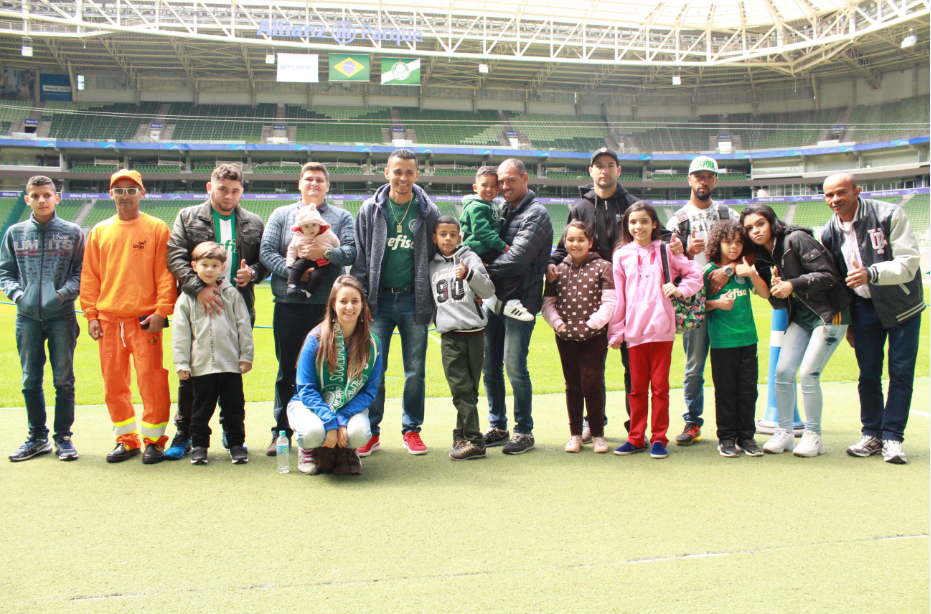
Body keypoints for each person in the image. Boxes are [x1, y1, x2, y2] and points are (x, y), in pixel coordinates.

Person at [547, 147, 684, 440]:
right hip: (590, 303)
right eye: (599, 165)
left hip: (630, 302)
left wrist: (678, 244)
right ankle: (591, 422)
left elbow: (661, 237)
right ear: (591, 171)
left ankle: (635, 426)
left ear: (619, 171)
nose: (604, 170)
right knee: (589, 372)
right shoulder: (580, 209)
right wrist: (551, 264)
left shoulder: (634, 205)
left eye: (610, 165)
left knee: (632, 368)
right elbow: (562, 248)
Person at [164, 163, 266, 460]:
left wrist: (254, 275)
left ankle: (230, 433)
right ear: (211, 187)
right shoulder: (188, 216)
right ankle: (186, 432)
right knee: (192, 378)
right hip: (198, 304)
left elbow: (263, 261)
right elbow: (175, 256)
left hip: (237, 306)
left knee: (230, 378)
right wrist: (199, 288)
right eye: (222, 189)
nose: (228, 196)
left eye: (235, 191)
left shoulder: (253, 221)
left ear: (242, 192)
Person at [820, 173, 924, 464]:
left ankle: (893, 437)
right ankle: (872, 434)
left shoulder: (890, 214)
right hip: (864, 308)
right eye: (828, 195)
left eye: (840, 193)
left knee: (900, 373)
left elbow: (909, 262)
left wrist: (872, 273)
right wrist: (849, 322)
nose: (834, 200)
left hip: (903, 306)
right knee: (868, 375)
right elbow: (838, 282)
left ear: (857, 191)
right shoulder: (829, 231)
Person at [80, 169, 177, 464]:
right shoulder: (99, 231)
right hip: (109, 320)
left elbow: (165, 274)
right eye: (119, 190)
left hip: (144, 319)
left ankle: (154, 441)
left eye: (131, 190)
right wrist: (91, 315)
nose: (125, 196)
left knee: (152, 381)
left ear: (142, 193)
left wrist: (162, 312)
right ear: (111, 194)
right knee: (113, 382)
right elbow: (90, 278)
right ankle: (126, 440)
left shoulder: (157, 228)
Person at [260, 162, 356, 456]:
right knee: (287, 370)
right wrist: (294, 272)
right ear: (299, 184)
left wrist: (326, 253)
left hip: (327, 309)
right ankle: (282, 432)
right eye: (309, 179)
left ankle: (327, 432)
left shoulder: (341, 217)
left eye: (320, 180)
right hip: (289, 305)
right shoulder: (281, 215)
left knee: (329, 372)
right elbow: (267, 251)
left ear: (328, 186)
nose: (314, 184)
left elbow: (351, 250)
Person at [741, 204, 850, 458]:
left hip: (829, 313)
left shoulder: (796, 239)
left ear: (771, 222)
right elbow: (779, 300)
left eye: (760, 224)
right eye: (749, 228)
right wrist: (777, 288)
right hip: (801, 318)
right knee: (782, 371)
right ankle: (785, 432)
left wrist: (792, 283)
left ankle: (814, 435)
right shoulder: (762, 257)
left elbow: (828, 275)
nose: (755, 231)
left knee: (808, 374)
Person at [350, 149, 440, 457]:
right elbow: (361, 259)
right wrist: (364, 299)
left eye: (409, 172)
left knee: (415, 370)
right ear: (386, 173)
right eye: (397, 171)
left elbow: (435, 257)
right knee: (374, 367)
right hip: (379, 300)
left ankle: (411, 430)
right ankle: (371, 432)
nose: (403, 178)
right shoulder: (369, 210)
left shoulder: (429, 212)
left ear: (417, 175)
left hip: (415, 300)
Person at [608, 202, 702, 459]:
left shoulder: (666, 250)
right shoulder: (621, 255)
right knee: (636, 389)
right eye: (633, 222)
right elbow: (619, 297)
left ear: (654, 224)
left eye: (644, 221)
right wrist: (616, 331)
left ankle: (659, 438)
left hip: (661, 329)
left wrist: (680, 290)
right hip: (634, 332)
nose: (638, 226)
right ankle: (636, 438)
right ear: (627, 226)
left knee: (660, 388)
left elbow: (694, 273)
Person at [1, 176, 84, 462]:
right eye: (35, 195)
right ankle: (37, 438)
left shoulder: (73, 232)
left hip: (62, 315)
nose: (41, 200)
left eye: (47, 194)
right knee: (29, 380)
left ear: (56, 198)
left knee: (63, 379)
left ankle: (63, 438)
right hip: (27, 318)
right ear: (27, 199)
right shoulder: (15, 232)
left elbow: (81, 273)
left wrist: (62, 295)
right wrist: (17, 295)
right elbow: (6, 272)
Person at [665, 156, 742, 447]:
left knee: (730, 363)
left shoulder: (727, 214)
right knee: (695, 365)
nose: (703, 181)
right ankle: (692, 421)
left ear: (716, 181)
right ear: (689, 180)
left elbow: (746, 252)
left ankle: (734, 423)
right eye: (698, 176)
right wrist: (683, 252)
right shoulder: (677, 221)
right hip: (693, 300)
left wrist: (729, 269)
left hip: (727, 295)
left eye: (709, 176)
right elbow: (668, 267)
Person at [481, 158, 553, 455]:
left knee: (514, 366)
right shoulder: (500, 209)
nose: (505, 186)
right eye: (501, 181)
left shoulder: (537, 214)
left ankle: (524, 430)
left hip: (521, 302)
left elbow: (519, 259)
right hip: (494, 300)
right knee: (489, 366)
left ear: (525, 179)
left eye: (511, 180)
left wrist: (482, 270)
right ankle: (498, 425)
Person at [286, 275, 382, 476]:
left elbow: (368, 392)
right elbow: (306, 389)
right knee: (313, 433)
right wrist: (330, 421)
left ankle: (349, 448)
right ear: (333, 305)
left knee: (359, 434)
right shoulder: (316, 338)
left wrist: (342, 419)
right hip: (309, 404)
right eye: (343, 301)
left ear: (363, 305)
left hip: (348, 407)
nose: (349, 307)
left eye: (355, 301)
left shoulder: (372, 344)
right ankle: (307, 450)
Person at [172, 242, 254, 465]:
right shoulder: (186, 299)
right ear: (194, 266)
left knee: (234, 409)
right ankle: (199, 446)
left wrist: (246, 355)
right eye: (204, 265)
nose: (209, 270)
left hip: (230, 365)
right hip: (201, 366)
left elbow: (243, 326)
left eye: (214, 265)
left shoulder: (232, 295)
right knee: (200, 410)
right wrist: (182, 363)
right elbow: (180, 334)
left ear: (222, 267)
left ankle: (236, 445)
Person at [542, 220, 616, 454]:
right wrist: (559, 325)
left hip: (594, 337)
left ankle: (597, 434)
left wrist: (590, 325)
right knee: (573, 385)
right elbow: (548, 303)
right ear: (564, 242)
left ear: (590, 242)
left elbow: (610, 302)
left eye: (581, 239)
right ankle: (575, 434)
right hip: (565, 336)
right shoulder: (557, 270)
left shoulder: (603, 267)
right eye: (571, 239)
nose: (575, 244)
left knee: (592, 383)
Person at [429, 215, 496, 461]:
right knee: (460, 387)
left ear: (460, 236)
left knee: (470, 389)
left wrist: (469, 275)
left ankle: (463, 435)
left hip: (475, 335)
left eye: (453, 234)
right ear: (434, 238)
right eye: (443, 234)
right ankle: (475, 440)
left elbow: (488, 290)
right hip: (449, 336)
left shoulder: (470, 258)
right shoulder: (430, 265)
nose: (448, 238)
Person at [701, 220, 769, 458]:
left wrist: (751, 273)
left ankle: (747, 437)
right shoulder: (709, 271)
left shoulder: (743, 269)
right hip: (722, 343)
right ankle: (727, 437)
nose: (734, 247)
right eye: (728, 241)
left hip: (748, 340)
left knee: (748, 390)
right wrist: (717, 303)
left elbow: (764, 293)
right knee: (726, 390)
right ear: (717, 243)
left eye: (739, 242)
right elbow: (697, 305)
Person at [459, 166, 534, 321]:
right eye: (484, 185)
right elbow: (482, 231)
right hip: (480, 247)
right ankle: (511, 302)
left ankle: (491, 299)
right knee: (511, 265)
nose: (489, 189)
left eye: (493, 186)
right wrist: (503, 247)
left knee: (497, 272)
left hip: (484, 247)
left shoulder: (491, 204)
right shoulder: (475, 206)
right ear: (475, 187)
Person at [286, 203, 340, 299]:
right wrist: (290, 261)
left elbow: (337, 244)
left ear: (320, 224)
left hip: (323, 262)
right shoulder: (298, 236)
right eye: (306, 226)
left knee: (317, 276)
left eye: (314, 225)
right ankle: (291, 286)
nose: (311, 228)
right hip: (305, 260)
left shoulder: (327, 234)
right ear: (300, 228)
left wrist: (328, 251)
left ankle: (307, 293)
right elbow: (292, 248)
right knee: (297, 266)